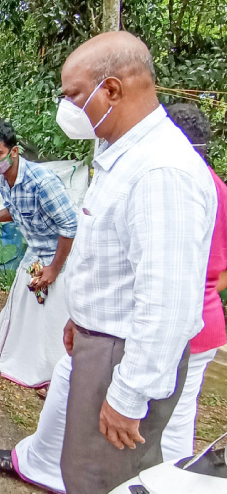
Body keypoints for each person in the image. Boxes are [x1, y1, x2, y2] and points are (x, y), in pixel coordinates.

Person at [4, 32, 214, 494]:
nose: (67, 108)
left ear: (112, 90)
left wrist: (128, 395)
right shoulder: (122, 156)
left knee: (107, 478)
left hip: (125, 356)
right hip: (103, 345)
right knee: (82, 470)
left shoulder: (161, 171)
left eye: (74, 95)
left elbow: (167, 302)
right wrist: (83, 320)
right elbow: (111, 262)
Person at [0, 121, 77, 392]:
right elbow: (13, 211)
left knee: (53, 321)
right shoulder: (4, 182)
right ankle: (25, 365)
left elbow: (70, 227)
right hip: (34, 253)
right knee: (22, 314)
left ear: (14, 151)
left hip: (59, 257)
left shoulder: (42, 182)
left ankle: (56, 377)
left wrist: (54, 269)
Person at [161, 103, 227, 460]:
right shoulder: (219, 188)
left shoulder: (180, 185)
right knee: (180, 414)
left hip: (179, 322)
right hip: (207, 320)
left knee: (166, 421)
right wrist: (204, 290)